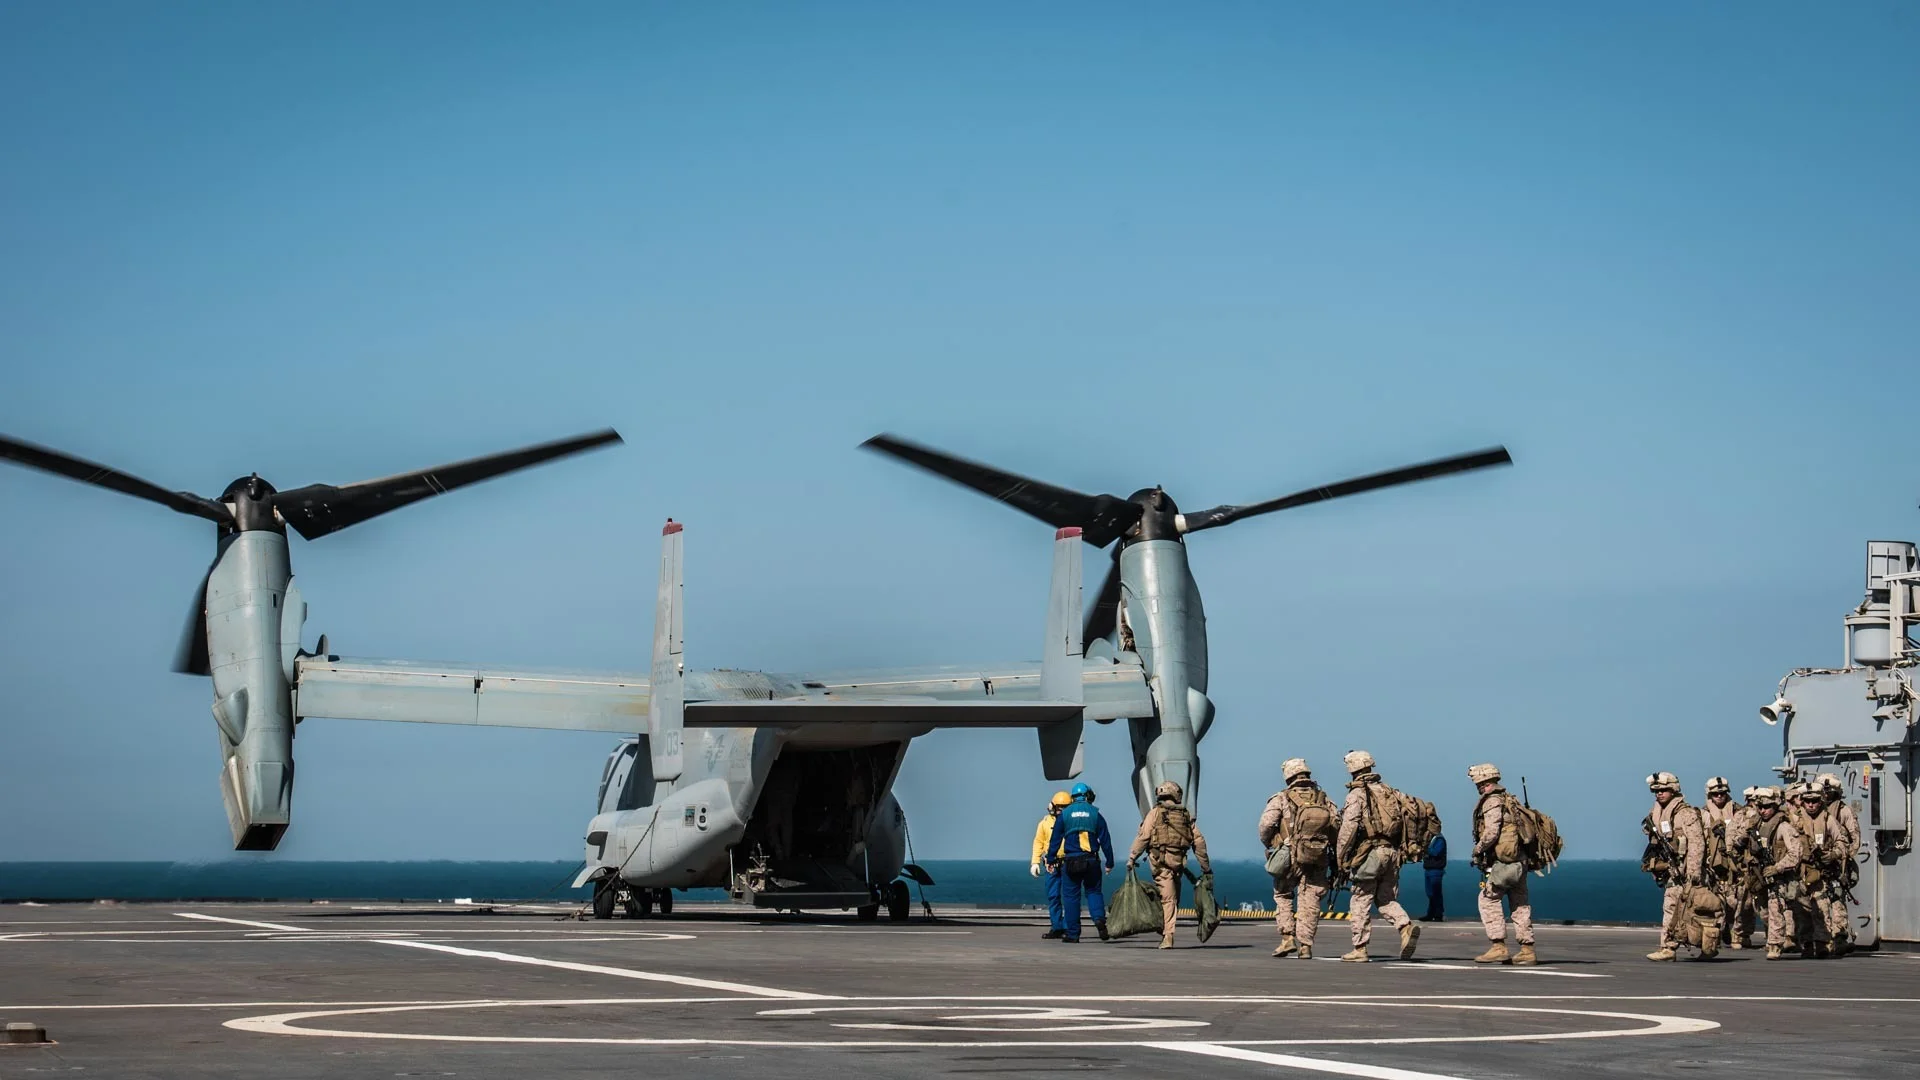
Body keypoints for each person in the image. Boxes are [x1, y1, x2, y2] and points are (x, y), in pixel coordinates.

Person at [1334, 750, 1420, 963]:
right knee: (1385, 899)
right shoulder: (1390, 791)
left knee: (1360, 899)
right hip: (1392, 853)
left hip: (1370, 854)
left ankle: (1360, 948)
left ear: (1352, 769)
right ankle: (1405, 926)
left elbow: (1349, 829)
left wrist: (1340, 859)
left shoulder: (1357, 794)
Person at [1257, 757, 1334, 959]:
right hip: (1317, 857)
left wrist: (1273, 845)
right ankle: (1306, 946)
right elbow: (1336, 824)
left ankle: (1287, 938)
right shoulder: (1323, 798)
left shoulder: (1281, 798)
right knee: (1310, 900)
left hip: (1290, 855)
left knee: (1283, 895)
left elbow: (1265, 826)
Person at [1130, 779, 1211, 949]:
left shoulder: (1155, 813)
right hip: (1178, 863)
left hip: (1160, 862)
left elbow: (1143, 837)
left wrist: (1132, 858)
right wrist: (1205, 867)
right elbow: (1199, 841)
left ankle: (1167, 935)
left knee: (1168, 899)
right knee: (1172, 898)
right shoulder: (1185, 815)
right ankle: (1166, 928)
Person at [1467, 763, 1536, 965]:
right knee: (1520, 904)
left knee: (1488, 899)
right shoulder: (1511, 801)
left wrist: (1477, 850)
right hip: (1520, 861)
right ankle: (1527, 949)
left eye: (1479, 783)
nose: (1478, 787)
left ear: (1484, 782)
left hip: (1504, 862)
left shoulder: (1492, 802)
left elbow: (1491, 833)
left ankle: (1498, 946)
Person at [1642, 771, 1714, 961]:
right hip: (1671, 871)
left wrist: (1693, 872)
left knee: (1698, 911)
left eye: (1664, 790)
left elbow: (1697, 844)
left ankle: (1706, 947)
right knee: (1672, 907)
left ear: (1673, 790)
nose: (1659, 794)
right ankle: (1668, 947)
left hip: (1687, 871)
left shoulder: (1686, 813)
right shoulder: (1656, 813)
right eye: (1656, 791)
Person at [1749, 786, 1812, 960]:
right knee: (1774, 907)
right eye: (1760, 807)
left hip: (1788, 875)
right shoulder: (1758, 826)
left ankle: (1807, 943)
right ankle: (1775, 944)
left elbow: (1796, 852)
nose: (1763, 811)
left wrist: (1778, 867)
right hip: (1769, 876)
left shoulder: (1783, 827)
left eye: (1767, 807)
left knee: (1800, 909)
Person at [1046, 782, 1113, 943]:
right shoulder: (1096, 814)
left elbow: (1055, 840)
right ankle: (1099, 919)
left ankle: (1073, 934)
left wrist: (1050, 859)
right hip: (1091, 860)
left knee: (1070, 897)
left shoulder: (1065, 814)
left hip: (1071, 862)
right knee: (1094, 892)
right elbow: (1105, 840)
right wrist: (1109, 861)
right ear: (1088, 796)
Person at [1816, 773, 1861, 956]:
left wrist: (1843, 857)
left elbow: (1854, 838)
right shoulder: (1812, 811)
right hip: (1816, 862)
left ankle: (1839, 936)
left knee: (1837, 898)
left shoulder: (1844, 811)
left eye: (1829, 792)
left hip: (1837, 863)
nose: (1826, 795)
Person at [1699, 777, 1739, 949]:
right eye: (1715, 794)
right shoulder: (1702, 814)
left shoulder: (1738, 811)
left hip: (1734, 863)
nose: (1719, 797)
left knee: (1734, 901)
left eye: (1722, 793)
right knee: (1714, 901)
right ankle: (1716, 933)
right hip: (1712, 863)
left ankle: (1732, 929)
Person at [1031, 791, 1073, 939]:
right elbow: (1038, 842)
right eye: (1060, 807)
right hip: (1052, 865)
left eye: (1065, 807)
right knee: (1053, 896)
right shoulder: (1044, 824)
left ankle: (1069, 927)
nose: (1061, 811)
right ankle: (1057, 926)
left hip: (1068, 862)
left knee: (1069, 897)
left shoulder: (1071, 822)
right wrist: (1035, 862)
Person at [1422, 831, 1448, 922]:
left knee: (1436, 893)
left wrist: (1425, 849)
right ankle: (1431, 913)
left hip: (1436, 869)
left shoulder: (1439, 840)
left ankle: (1438, 914)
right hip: (1429, 869)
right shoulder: (1432, 839)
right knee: (1430, 893)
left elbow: (1436, 852)